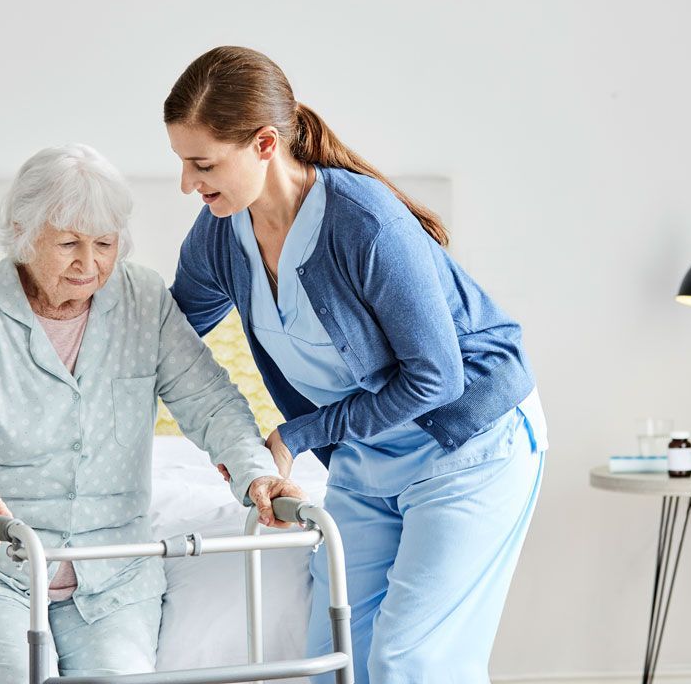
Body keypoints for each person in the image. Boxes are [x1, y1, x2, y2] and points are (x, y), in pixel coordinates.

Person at [164, 47, 547, 683]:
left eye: (202, 164)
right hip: (368, 457)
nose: (187, 184)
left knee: (409, 662)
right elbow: (166, 341)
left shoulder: (362, 222)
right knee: (334, 663)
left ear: (264, 143)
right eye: (181, 162)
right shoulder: (217, 236)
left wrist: (296, 435)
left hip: (468, 445)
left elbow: (437, 379)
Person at [0, 143, 303, 683]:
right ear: (23, 232)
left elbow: (209, 401)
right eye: (68, 243)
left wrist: (256, 472)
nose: (89, 265)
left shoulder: (143, 300)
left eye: (105, 244)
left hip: (113, 569)